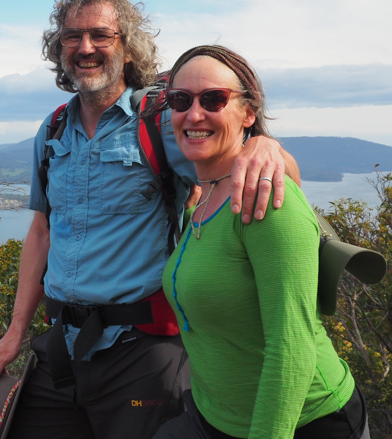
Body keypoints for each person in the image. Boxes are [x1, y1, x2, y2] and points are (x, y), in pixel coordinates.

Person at [0, 0, 299, 439]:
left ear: (127, 47)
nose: (85, 47)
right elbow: (42, 232)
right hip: (62, 347)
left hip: (141, 352)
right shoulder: (51, 133)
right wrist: (14, 331)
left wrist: (266, 147)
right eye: (73, 36)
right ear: (59, 48)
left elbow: (257, 167)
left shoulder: (161, 122)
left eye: (100, 35)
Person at [154, 45, 368, 439]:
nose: (194, 113)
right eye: (180, 99)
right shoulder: (201, 198)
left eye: (214, 99)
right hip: (214, 417)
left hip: (304, 421)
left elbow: (292, 348)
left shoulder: (266, 203)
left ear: (247, 113)